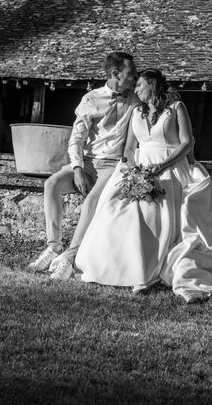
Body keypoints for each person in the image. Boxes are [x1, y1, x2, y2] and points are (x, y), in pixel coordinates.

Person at [74, 68, 212, 303]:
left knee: (154, 215)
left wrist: (161, 166)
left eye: (139, 85)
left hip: (172, 167)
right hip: (139, 168)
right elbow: (129, 149)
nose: (136, 89)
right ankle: (119, 267)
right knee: (115, 209)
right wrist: (131, 172)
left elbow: (188, 142)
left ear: (152, 84)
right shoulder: (135, 112)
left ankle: (151, 269)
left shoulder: (176, 108)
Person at [28, 52, 139, 279]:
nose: (135, 77)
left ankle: (69, 259)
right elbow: (76, 139)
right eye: (131, 73)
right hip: (86, 162)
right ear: (115, 74)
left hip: (113, 165)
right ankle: (54, 246)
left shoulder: (136, 101)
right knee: (51, 184)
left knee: (90, 204)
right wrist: (77, 169)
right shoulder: (91, 99)